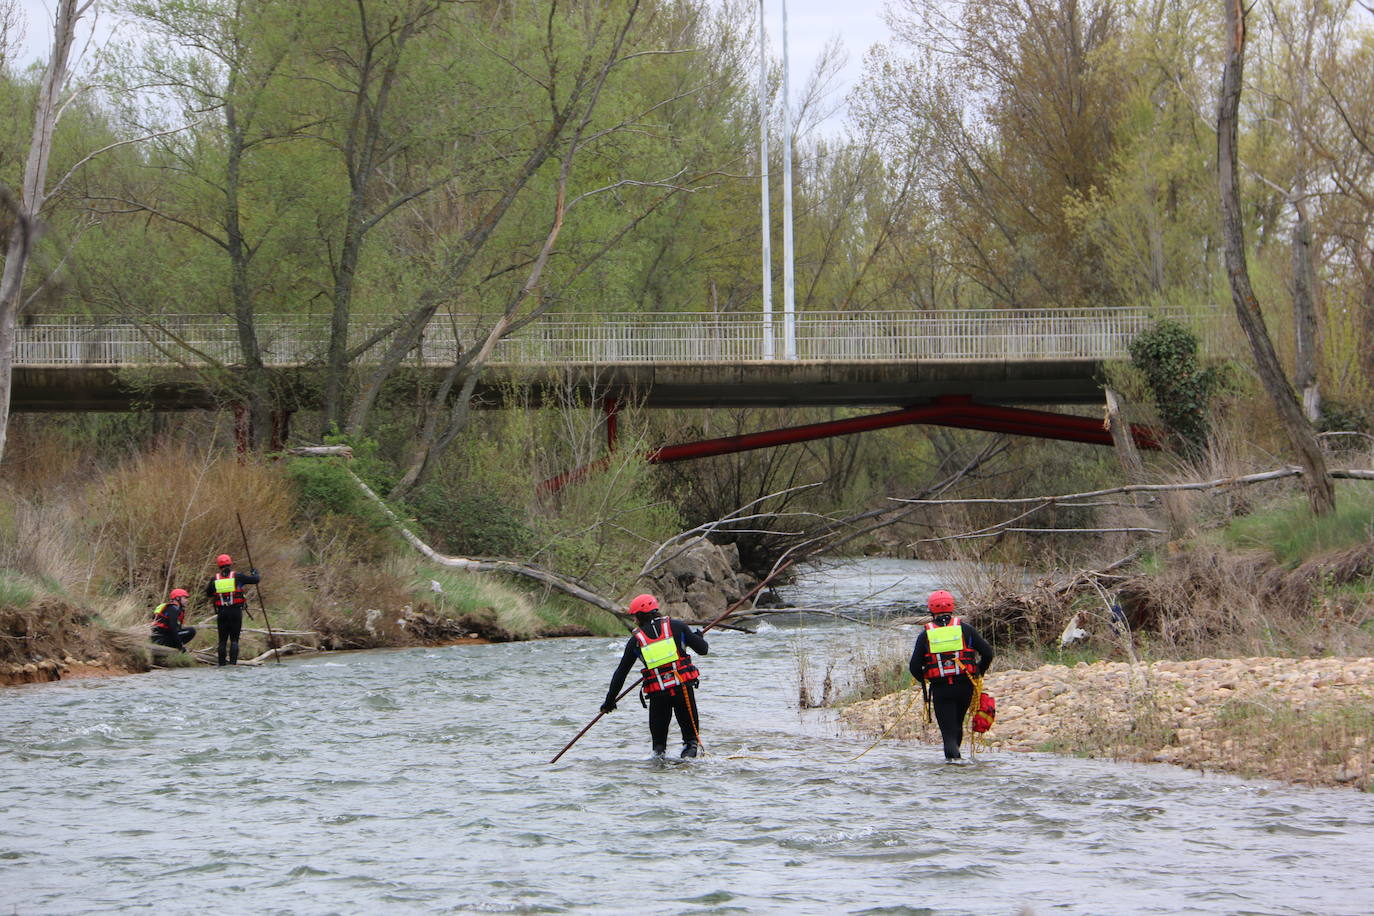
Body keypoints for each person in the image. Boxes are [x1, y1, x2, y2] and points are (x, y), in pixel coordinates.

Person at [601, 593, 710, 759]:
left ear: (638, 616)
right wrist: (697, 637)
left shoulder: (636, 641)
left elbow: (620, 673)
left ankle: (658, 775)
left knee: (658, 749)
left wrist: (609, 701)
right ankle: (689, 770)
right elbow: (703, 649)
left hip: (659, 696)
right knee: (691, 741)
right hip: (683, 691)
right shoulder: (677, 626)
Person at [908, 589, 994, 762]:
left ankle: (952, 768)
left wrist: (926, 678)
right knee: (957, 725)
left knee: (948, 733)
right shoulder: (965, 629)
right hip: (965, 686)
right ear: (952, 607)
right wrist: (978, 672)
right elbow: (988, 653)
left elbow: (914, 666)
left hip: (941, 689)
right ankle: (957, 767)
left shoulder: (925, 634)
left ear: (931, 609)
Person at [204, 553, 260, 666]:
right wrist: (255, 573)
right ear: (230, 563)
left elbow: (208, 593)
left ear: (219, 565)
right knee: (234, 640)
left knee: (222, 640)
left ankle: (221, 665)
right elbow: (255, 580)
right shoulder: (237, 576)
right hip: (235, 612)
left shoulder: (215, 579)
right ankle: (233, 665)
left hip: (222, 613)